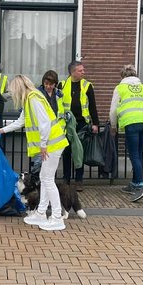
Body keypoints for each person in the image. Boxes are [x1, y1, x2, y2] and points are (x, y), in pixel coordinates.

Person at [0, 75, 69, 231]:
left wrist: (43, 145)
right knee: (44, 177)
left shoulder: (33, 98)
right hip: (52, 143)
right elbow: (21, 121)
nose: (13, 94)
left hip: (51, 144)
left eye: (13, 90)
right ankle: (41, 213)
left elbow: (45, 123)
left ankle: (56, 217)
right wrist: (1, 130)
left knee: (48, 179)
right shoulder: (30, 99)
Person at [109, 64, 143, 202]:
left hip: (131, 123)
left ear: (122, 76)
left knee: (133, 155)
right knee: (138, 154)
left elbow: (113, 110)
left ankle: (140, 186)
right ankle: (134, 183)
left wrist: (113, 126)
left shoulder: (120, 88)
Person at [60, 60, 100, 191]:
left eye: (83, 70)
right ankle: (66, 178)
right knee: (66, 151)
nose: (84, 72)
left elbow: (93, 106)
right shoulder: (62, 85)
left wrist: (95, 123)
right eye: (80, 70)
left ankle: (79, 180)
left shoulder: (87, 86)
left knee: (79, 152)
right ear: (72, 72)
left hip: (82, 124)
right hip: (66, 124)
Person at [32, 70, 66, 177]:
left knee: (51, 164)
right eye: (46, 84)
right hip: (41, 132)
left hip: (55, 133)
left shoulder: (59, 95)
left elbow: (62, 111)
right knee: (38, 162)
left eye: (51, 84)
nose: (48, 86)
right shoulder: (37, 94)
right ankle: (36, 185)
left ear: (55, 84)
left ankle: (48, 184)